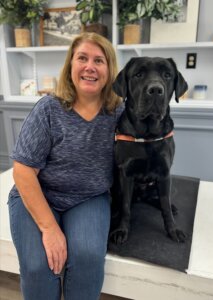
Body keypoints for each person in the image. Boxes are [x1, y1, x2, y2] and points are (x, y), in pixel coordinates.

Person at [8, 32, 123, 300]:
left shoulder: (118, 113)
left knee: (88, 258)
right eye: (82, 58)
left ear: (109, 69)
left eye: (99, 60)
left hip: (88, 198)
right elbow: (23, 171)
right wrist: (49, 229)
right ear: (70, 65)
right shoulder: (49, 108)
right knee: (39, 266)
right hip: (39, 193)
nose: (89, 67)